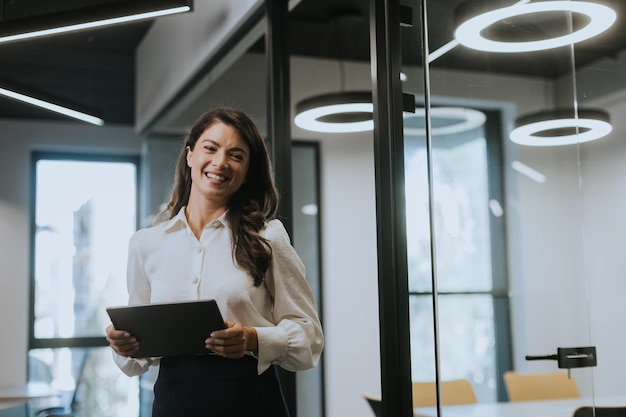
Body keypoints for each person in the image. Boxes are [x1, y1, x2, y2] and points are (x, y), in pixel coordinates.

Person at [105, 107, 324, 417]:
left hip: (250, 401)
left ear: (248, 171)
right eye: (211, 148)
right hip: (173, 403)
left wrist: (253, 338)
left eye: (236, 155)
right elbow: (137, 359)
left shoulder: (268, 237)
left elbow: (309, 337)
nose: (220, 162)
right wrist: (123, 344)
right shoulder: (146, 244)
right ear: (190, 155)